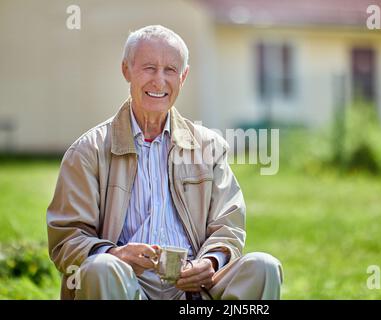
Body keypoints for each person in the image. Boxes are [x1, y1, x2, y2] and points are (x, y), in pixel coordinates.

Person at [46, 25, 283, 300]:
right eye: (149, 68)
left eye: (170, 70)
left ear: (183, 76)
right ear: (126, 70)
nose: (159, 81)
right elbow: (67, 239)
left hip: (195, 293)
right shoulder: (89, 150)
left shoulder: (209, 147)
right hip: (125, 286)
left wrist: (210, 263)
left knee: (263, 267)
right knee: (102, 267)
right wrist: (115, 254)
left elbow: (228, 225)